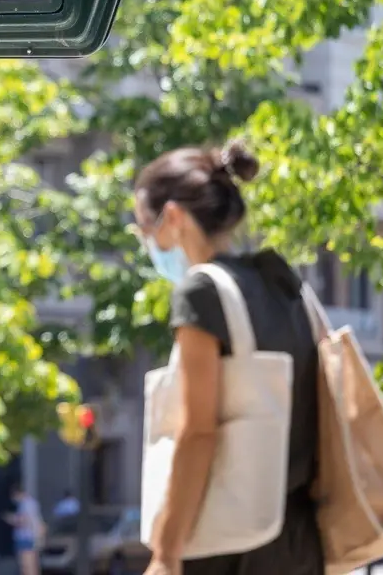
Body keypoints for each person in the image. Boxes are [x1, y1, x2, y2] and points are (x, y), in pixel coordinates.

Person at [133, 142, 323, 575]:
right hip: (299, 540)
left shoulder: (202, 293)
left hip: (230, 546)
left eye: (144, 228)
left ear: (173, 217)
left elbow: (198, 433)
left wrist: (166, 552)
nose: (147, 243)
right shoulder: (283, 284)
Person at [4, 483, 44, 575]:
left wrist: (11, 519)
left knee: (26, 566)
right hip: (29, 538)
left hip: (26, 538)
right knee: (30, 566)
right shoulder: (29, 503)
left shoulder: (26, 504)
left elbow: (24, 520)